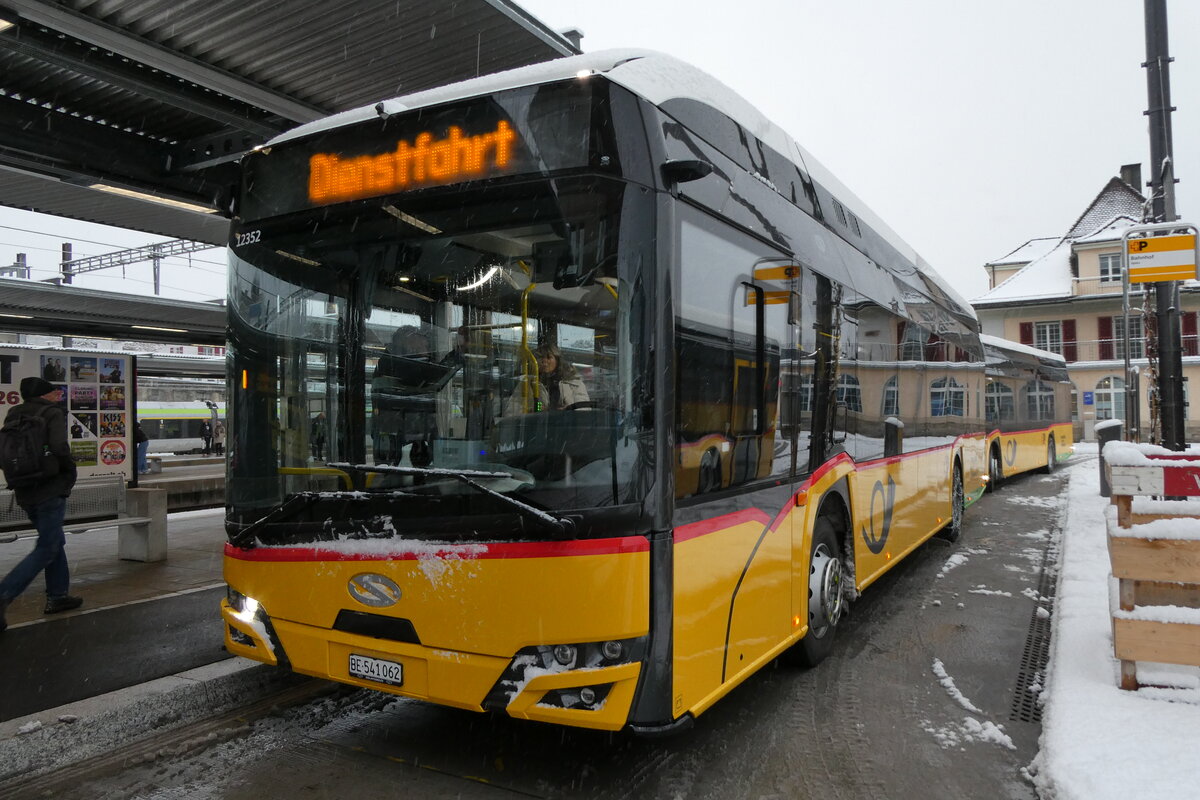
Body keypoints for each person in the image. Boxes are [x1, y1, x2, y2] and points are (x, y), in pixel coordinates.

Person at [0, 377, 81, 633]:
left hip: (25, 489)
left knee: (54, 541)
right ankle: (4, 594)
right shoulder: (51, 413)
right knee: (47, 547)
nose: (58, 396)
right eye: (54, 392)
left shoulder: (14, 413)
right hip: (49, 488)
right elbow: (59, 447)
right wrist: (69, 471)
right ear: (46, 395)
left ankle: (58, 595)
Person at [508, 344, 589, 414]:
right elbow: (512, 411)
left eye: (549, 357)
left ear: (557, 361)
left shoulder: (573, 382)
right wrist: (532, 411)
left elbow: (584, 409)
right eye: (540, 357)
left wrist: (569, 410)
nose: (544, 361)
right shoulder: (528, 383)